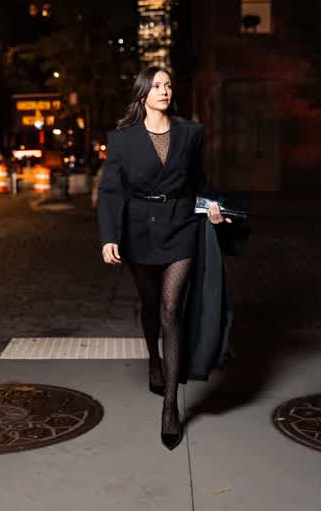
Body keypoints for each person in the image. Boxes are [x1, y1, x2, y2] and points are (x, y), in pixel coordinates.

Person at [98, 66, 232, 450]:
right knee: (151, 303)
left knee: (171, 309)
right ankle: (153, 360)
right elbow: (110, 191)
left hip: (181, 225)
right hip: (139, 228)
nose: (164, 90)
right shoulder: (122, 139)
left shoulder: (190, 133)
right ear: (143, 93)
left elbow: (199, 182)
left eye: (169, 85)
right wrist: (109, 236)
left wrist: (212, 207)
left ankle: (170, 406)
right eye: (156, 85)